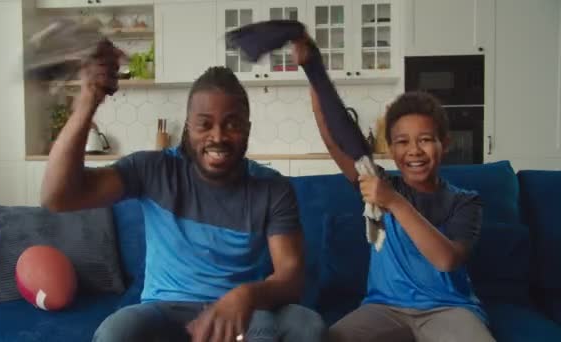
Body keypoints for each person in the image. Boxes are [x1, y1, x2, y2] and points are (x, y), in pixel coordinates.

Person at [41, 43, 325, 342]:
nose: (218, 136)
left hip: (241, 316)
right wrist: (88, 100)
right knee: (115, 331)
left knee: (305, 325)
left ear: (248, 128)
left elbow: (291, 278)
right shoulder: (153, 170)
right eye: (205, 124)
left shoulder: (272, 188)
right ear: (188, 127)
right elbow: (57, 197)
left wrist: (246, 296)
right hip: (165, 312)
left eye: (232, 124)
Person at [291, 37, 494, 342]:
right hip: (383, 309)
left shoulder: (466, 202)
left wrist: (394, 202)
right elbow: (335, 141)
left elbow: (447, 260)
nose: (414, 151)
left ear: (445, 144)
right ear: (392, 148)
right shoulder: (379, 182)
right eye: (402, 142)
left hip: (449, 309)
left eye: (425, 139)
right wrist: (313, 70)